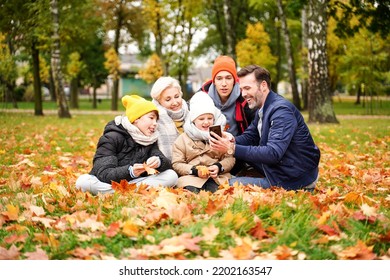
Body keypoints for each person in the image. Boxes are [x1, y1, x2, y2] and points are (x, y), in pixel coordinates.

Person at [209, 65, 321, 191]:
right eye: (241, 89)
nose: (243, 94)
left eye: (247, 88)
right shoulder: (263, 107)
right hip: (281, 167)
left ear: (263, 85)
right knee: (238, 159)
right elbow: (251, 136)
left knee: (226, 185)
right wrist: (231, 139)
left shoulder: (281, 111)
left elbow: (273, 153)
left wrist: (231, 148)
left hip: (294, 178)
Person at [75, 95, 178, 195]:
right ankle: (131, 191)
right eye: (151, 118)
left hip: (136, 182)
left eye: (156, 120)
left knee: (171, 176)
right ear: (136, 119)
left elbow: (165, 163)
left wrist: (159, 161)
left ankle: (122, 192)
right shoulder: (111, 137)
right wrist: (130, 171)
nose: (155, 123)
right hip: (108, 183)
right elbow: (103, 173)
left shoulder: (150, 139)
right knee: (83, 182)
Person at [172, 92, 235, 194]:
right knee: (190, 191)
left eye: (209, 118)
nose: (206, 122)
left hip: (216, 176)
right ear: (193, 121)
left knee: (220, 191)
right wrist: (194, 170)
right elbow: (177, 163)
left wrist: (219, 167)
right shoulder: (183, 139)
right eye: (201, 119)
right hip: (191, 177)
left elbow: (229, 158)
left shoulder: (220, 136)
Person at [199, 55, 256, 136]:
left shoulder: (245, 99)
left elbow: (254, 133)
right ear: (214, 81)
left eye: (228, 78)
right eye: (219, 78)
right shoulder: (201, 97)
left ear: (234, 80)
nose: (224, 84)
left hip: (238, 145)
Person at [150, 76, 189, 161]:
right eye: (168, 99)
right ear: (158, 101)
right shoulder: (153, 120)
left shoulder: (190, 113)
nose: (175, 102)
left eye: (177, 96)